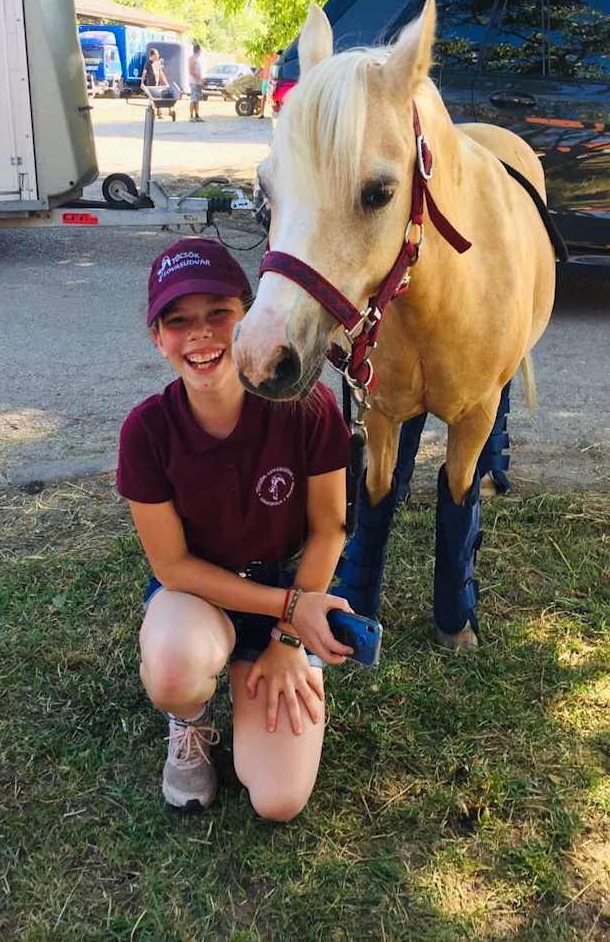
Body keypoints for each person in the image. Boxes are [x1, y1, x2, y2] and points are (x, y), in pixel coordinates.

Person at [117, 238, 355, 820]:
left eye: (218, 313)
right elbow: (172, 566)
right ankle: (189, 719)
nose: (200, 334)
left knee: (278, 800)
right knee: (174, 666)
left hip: (287, 584)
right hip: (199, 593)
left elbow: (329, 529)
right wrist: (292, 609)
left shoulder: (308, 406)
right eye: (178, 321)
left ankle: (254, 667)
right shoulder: (146, 432)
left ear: (249, 316)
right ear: (157, 338)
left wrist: (289, 637)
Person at [141, 49, 169, 119]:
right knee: (151, 100)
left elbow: (161, 73)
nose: (158, 56)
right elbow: (144, 73)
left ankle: (159, 114)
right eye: (157, 54)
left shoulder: (158, 63)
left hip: (157, 85)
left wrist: (166, 83)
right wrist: (142, 83)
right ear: (152, 55)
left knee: (158, 99)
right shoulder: (148, 63)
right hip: (151, 85)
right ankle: (151, 115)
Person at [259, 50, 280, 117]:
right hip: (267, 80)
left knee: (272, 96)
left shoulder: (276, 57)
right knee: (265, 96)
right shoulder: (267, 58)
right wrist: (255, 74)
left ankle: (274, 112)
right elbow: (262, 67)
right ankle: (262, 113)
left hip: (272, 80)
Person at [187, 42, 204, 122]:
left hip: (197, 82)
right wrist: (199, 78)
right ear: (198, 50)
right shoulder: (192, 58)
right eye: (200, 50)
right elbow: (191, 71)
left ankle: (197, 115)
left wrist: (200, 80)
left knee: (197, 100)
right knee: (193, 99)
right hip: (193, 82)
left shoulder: (197, 59)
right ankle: (191, 116)